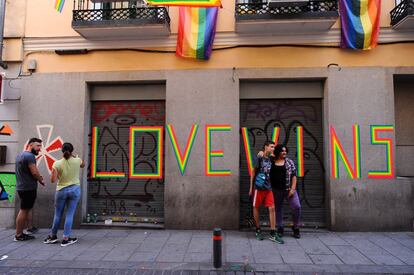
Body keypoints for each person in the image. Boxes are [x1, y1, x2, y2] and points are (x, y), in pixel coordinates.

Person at [44, 143, 84, 247]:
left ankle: (53, 236)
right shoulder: (77, 160)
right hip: (75, 189)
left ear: (62, 151)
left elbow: (53, 180)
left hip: (61, 190)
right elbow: (83, 165)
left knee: (58, 214)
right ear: (72, 150)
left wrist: (57, 173)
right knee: (69, 214)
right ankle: (66, 238)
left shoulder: (57, 164)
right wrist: (76, 157)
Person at [249, 141, 284, 244]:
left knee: (272, 208)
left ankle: (273, 233)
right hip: (258, 187)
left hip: (268, 188)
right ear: (266, 147)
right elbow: (253, 172)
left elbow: (280, 156)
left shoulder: (272, 158)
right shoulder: (259, 158)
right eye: (271, 147)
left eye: (274, 147)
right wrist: (251, 188)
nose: (273, 148)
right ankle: (258, 229)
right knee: (256, 207)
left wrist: (271, 153)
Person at [14, 138, 44, 241]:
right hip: (28, 188)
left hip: (21, 187)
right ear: (30, 145)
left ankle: (27, 230)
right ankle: (18, 235)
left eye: (40, 146)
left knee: (26, 209)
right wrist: (40, 180)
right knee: (24, 210)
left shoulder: (20, 155)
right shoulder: (30, 156)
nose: (39, 149)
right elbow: (34, 172)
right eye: (38, 146)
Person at [270, 144, 301, 239]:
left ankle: (296, 227)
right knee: (278, 209)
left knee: (297, 207)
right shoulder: (272, 161)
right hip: (276, 190)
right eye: (282, 151)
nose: (284, 152)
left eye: (285, 151)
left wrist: (293, 188)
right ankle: (280, 227)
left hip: (288, 190)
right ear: (278, 152)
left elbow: (294, 176)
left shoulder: (289, 162)